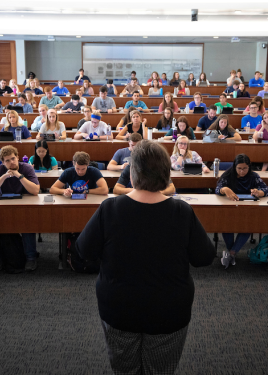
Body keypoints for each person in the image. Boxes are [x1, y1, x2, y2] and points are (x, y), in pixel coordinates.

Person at [76, 140, 213, 374]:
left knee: (125, 368)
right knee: (160, 369)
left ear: (132, 172)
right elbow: (204, 257)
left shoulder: (110, 209)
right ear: (165, 173)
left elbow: (83, 252)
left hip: (119, 306)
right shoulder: (182, 212)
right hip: (169, 309)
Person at [0, 145, 41, 272]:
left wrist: (18, 175)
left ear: (18, 157)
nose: (11, 162)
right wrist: (4, 176)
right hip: (3, 206)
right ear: (3, 162)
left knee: (28, 224)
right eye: (7, 161)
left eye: (13, 159)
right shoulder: (0, 170)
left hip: (23, 206)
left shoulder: (26, 168)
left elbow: (35, 191)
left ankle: (31, 258)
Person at [216, 153, 268, 267]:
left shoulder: (253, 176)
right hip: (230, 208)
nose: (242, 171)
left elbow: (267, 189)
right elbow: (217, 189)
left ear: (249, 166)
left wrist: (258, 192)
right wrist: (224, 189)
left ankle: (231, 253)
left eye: (245, 168)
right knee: (226, 225)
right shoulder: (228, 175)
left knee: (247, 226)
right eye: (239, 168)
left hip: (247, 209)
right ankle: (232, 253)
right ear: (235, 166)